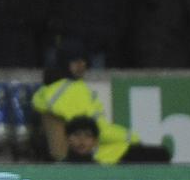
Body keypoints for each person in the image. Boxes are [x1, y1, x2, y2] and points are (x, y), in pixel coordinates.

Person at [31, 45, 170, 163]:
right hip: (95, 155)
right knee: (160, 155)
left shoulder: (52, 89)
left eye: (84, 60)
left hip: (91, 152)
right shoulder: (71, 90)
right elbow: (93, 132)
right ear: (63, 63)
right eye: (75, 61)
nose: (81, 65)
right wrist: (132, 137)